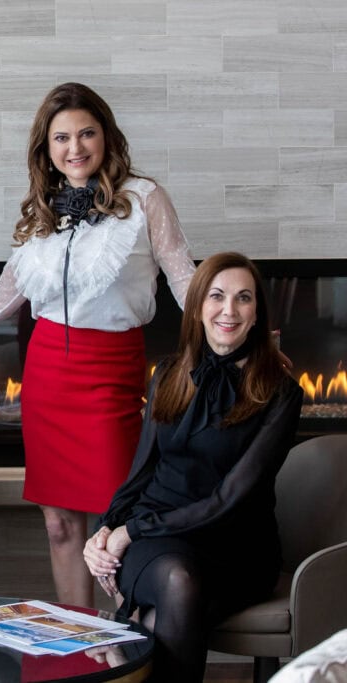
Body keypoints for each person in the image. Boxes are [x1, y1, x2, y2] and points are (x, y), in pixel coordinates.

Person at [0, 82, 196, 607]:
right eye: (61, 137)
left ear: (106, 137)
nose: (76, 147)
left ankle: (124, 650)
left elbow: (184, 278)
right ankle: (76, 642)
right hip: (47, 376)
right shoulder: (40, 216)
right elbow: (1, 301)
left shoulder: (145, 199)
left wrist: (228, 325)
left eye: (86, 133)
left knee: (117, 521)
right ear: (46, 150)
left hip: (111, 374)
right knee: (59, 526)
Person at [83, 252, 303, 682]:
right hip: (159, 542)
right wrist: (105, 530)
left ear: (257, 312)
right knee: (176, 581)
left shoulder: (281, 393)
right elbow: (141, 472)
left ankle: (131, 636)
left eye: (244, 298)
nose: (229, 310)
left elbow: (231, 498)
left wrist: (132, 532)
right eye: (217, 296)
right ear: (198, 305)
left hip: (236, 546)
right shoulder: (168, 373)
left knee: (163, 608)